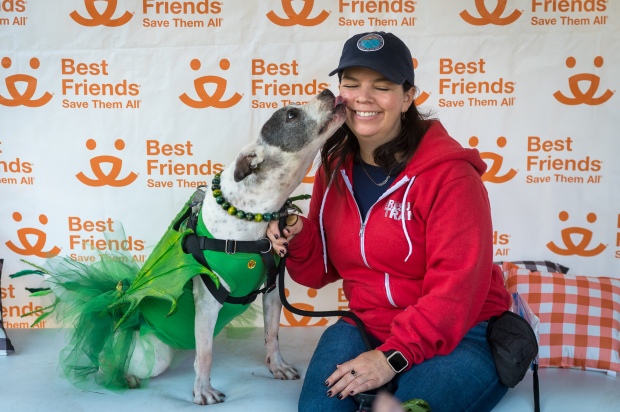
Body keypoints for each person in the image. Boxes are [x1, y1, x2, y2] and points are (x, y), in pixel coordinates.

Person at [267, 31, 511, 412]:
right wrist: (299, 235)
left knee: (403, 410)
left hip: (464, 330)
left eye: (381, 87)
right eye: (351, 84)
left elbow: (457, 291)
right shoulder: (334, 166)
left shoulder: (451, 176)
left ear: (408, 96)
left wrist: (391, 359)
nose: (363, 97)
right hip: (368, 325)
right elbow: (318, 273)